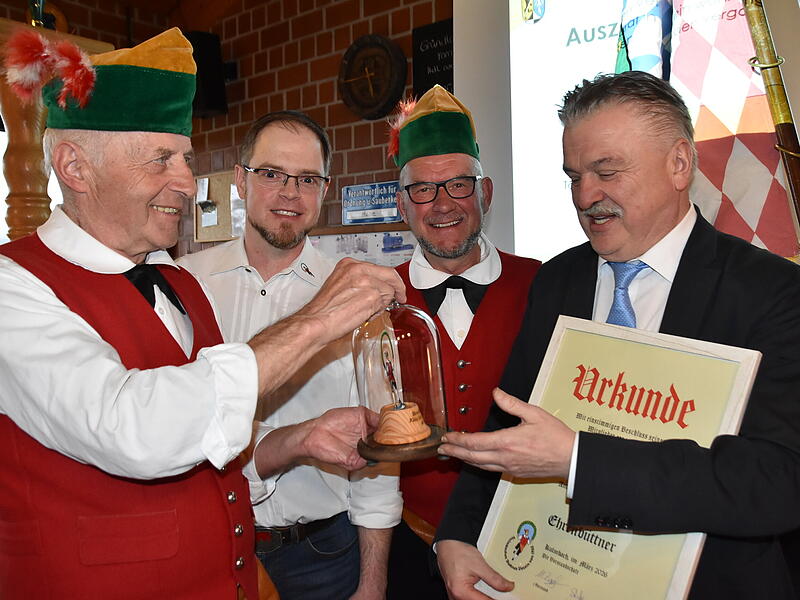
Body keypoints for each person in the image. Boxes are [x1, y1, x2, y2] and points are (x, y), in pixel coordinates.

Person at [0, 29, 404, 600]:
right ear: (75, 166)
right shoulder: (12, 287)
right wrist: (317, 321)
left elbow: (216, 461)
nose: (189, 184)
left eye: (185, 160)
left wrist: (299, 438)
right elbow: (135, 429)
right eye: (162, 159)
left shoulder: (179, 284)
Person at [434, 70, 800, 600]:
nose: (586, 196)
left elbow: (779, 481)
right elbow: (509, 422)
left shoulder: (773, 294)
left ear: (679, 164)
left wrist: (578, 459)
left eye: (607, 171)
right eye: (575, 176)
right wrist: (457, 535)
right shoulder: (558, 280)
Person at [178, 110, 401, 600]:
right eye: (272, 174)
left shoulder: (356, 296)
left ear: (326, 188)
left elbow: (379, 453)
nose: (289, 193)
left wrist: (373, 583)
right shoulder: (185, 284)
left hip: (321, 556)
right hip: (206, 546)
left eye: (307, 179)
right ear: (240, 180)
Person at [383, 85, 540, 599]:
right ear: (403, 204)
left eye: (458, 185)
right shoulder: (374, 299)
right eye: (423, 189)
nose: (442, 204)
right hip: (407, 546)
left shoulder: (547, 285)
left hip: (526, 542)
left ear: (486, 193)